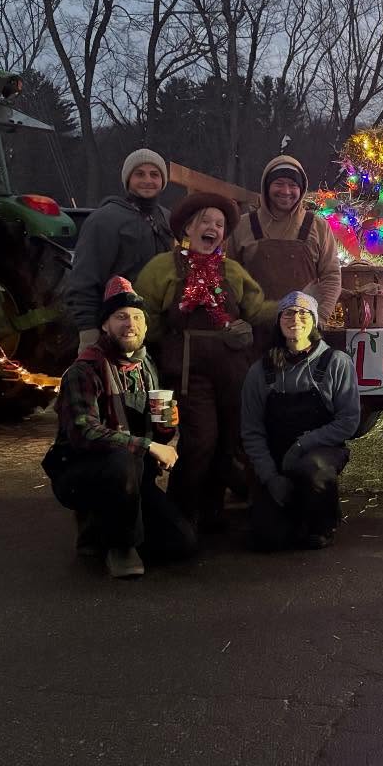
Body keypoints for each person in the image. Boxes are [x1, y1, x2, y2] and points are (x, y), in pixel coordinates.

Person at [134, 191, 276, 529]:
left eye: (220, 224)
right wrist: (164, 339)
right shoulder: (162, 268)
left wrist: (294, 306)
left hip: (232, 372)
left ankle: (212, 514)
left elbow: (257, 309)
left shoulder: (233, 271)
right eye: (205, 222)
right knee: (200, 441)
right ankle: (180, 514)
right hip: (186, 373)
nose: (213, 228)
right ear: (188, 227)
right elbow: (144, 316)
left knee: (228, 442)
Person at [41, 276, 197, 578]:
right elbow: (84, 431)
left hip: (135, 477)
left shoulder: (146, 366)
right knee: (121, 460)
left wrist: (166, 428)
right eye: (121, 317)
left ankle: (103, 527)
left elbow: (156, 430)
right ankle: (120, 546)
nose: (131, 324)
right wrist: (150, 446)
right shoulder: (84, 370)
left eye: (137, 317)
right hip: (85, 471)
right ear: (105, 325)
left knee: (182, 543)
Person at [240, 291, 363, 550]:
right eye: (288, 312)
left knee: (313, 470)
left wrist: (301, 446)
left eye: (304, 312)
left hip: (319, 453)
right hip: (276, 458)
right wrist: (270, 478)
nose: (296, 318)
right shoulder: (260, 371)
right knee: (267, 538)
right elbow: (251, 431)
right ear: (279, 321)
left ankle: (323, 523)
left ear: (315, 321)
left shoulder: (336, 363)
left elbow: (348, 421)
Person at [66, 149, 174, 351]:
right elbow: (84, 278)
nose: (147, 180)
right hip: (118, 331)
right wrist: (88, 330)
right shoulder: (104, 220)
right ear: (128, 179)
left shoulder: (167, 219)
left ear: (163, 180)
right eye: (139, 174)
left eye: (155, 174)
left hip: (158, 332)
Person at [230, 155, 342, 328]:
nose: (286, 191)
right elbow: (230, 276)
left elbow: (331, 276)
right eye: (279, 183)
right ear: (266, 186)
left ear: (301, 189)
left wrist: (321, 317)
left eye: (293, 185)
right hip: (254, 331)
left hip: (302, 332)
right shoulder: (243, 225)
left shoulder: (317, 226)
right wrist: (233, 320)